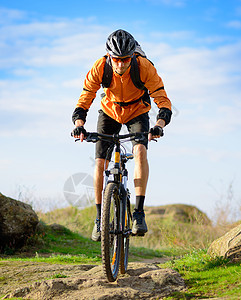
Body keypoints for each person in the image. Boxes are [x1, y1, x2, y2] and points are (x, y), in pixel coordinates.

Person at [72, 29, 172, 241]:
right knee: (100, 162)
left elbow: (162, 99)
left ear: (132, 56)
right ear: (109, 56)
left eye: (125, 59)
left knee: (140, 152)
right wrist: (79, 124)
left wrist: (159, 125)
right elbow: (85, 97)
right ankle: (99, 219)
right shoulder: (100, 66)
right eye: (116, 59)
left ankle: (138, 213)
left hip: (137, 112)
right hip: (109, 111)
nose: (120, 64)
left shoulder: (143, 67)